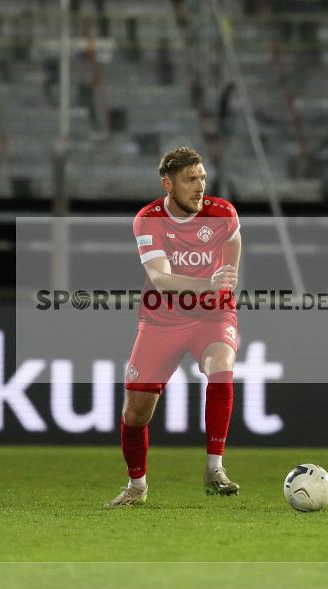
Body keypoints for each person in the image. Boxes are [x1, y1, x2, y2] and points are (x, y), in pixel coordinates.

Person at [108, 147, 242, 507]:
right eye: (189, 180)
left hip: (212, 316)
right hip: (162, 319)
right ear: (167, 184)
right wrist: (210, 284)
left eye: (201, 177)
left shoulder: (222, 213)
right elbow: (161, 278)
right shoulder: (148, 220)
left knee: (221, 367)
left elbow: (232, 238)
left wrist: (229, 277)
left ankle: (215, 467)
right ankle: (137, 486)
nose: (199, 186)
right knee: (135, 413)